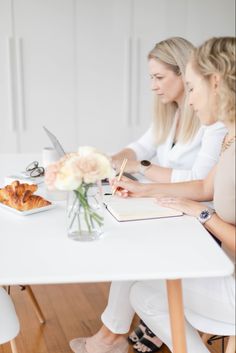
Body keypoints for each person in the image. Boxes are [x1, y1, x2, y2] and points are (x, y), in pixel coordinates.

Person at [69, 36, 235, 353]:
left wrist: (203, 213)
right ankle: (112, 337)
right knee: (141, 286)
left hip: (224, 267)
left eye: (192, 88)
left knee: (140, 277)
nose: (188, 100)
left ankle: (110, 339)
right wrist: (139, 187)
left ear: (215, 83)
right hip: (221, 259)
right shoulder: (230, 139)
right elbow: (203, 187)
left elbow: (202, 193)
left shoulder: (222, 134)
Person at [112, 37, 226, 185]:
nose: (153, 86)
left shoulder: (213, 120)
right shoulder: (171, 114)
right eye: (151, 78)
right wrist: (111, 161)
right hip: (167, 201)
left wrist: (140, 167)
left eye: (159, 77)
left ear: (185, 74)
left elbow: (201, 181)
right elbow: (142, 147)